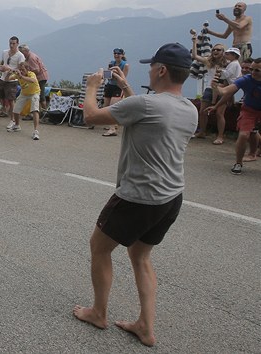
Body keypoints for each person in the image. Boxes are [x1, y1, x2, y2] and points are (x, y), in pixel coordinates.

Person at [72, 43, 197, 347]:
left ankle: (98, 313)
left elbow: (90, 116)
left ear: (162, 70)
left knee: (99, 247)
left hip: (138, 196)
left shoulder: (145, 104)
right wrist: (128, 87)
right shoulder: (189, 109)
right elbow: (148, 114)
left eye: (152, 65)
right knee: (140, 256)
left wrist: (92, 87)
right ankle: (145, 326)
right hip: (171, 197)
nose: (150, 69)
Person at [208, 57, 261, 175]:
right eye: (251, 69)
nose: (252, 73)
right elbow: (226, 92)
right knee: (243, 135)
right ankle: (238, 163)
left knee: (254, 132)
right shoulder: (245, 79)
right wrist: (216, 88)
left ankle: (253, 153)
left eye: (257, 70)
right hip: (249, 110)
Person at [191, 36, 228, 144]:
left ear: (223, 52)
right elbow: (195, 56)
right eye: (214, 49)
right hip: (209, 88)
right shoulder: (209, 61)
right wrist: (194, 42)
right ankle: (202, 132)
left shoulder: (228, 63)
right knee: (202, 111)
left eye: (218, 49)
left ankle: (220, 136)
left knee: (219, 114)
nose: (215, 51)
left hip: (223, 89)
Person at [0, 36, 25, 127]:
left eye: (13, 43)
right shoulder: (5, 52)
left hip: (12, 80)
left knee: (11, 101)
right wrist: (1, 68)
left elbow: (21, 70)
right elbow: (3, 64)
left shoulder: (20, 56)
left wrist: (9, 68)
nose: (11, 45)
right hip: (3, 79)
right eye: (10, 43)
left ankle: (13, 120)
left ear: (17, 44)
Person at [8, 62, 42, 140]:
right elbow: (9, 78)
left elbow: (32, 80)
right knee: (15, 110)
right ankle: (17, 125)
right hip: (24, 93)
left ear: (27, 69)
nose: (21, 71)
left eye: (23, 69)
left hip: (34, 93)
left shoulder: (31, 74)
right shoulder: (18, 74)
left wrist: (21, 76)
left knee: (35, 110)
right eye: (20, 69)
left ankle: (36, 131)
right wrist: (9, 73)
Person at [102, 48, 130, 137]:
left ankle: (112, 129)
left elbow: (123, 79)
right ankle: (113, 124)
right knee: (106, 106)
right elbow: (107, 75)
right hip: (109, 86)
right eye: (115, 53)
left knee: (113, 107)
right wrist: (108, 73)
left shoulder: (125, 65)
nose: (116, 55)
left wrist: (114, 74)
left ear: (122, 55)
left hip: (118, 87)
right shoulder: (111, 63)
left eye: (118, 53)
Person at [19, 44, 49, 110]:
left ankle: (44, 111)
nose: (21, 54)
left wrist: (28, 73)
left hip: (40, 78)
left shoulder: (31, 58)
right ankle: (39, 111)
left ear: (25, 51)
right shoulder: (29, 56)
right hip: (40, 77)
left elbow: (37, 70)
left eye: (21, 52)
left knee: (40, 95)